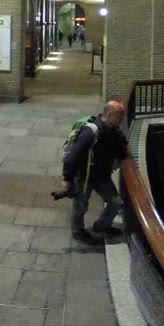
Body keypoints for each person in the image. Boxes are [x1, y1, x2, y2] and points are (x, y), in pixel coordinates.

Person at [63, 99, 132, 246]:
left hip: (101, 175)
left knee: (116, 202)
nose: (122, 118)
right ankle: (77, 231)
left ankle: (101, 226)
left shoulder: (113, 130)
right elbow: (71, 157)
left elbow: (121, 145)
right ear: (109, 115)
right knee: (80, 206)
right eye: (120, 115)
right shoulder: (90, 132)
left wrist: (118, 158)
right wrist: (67, 179)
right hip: (84, 176)